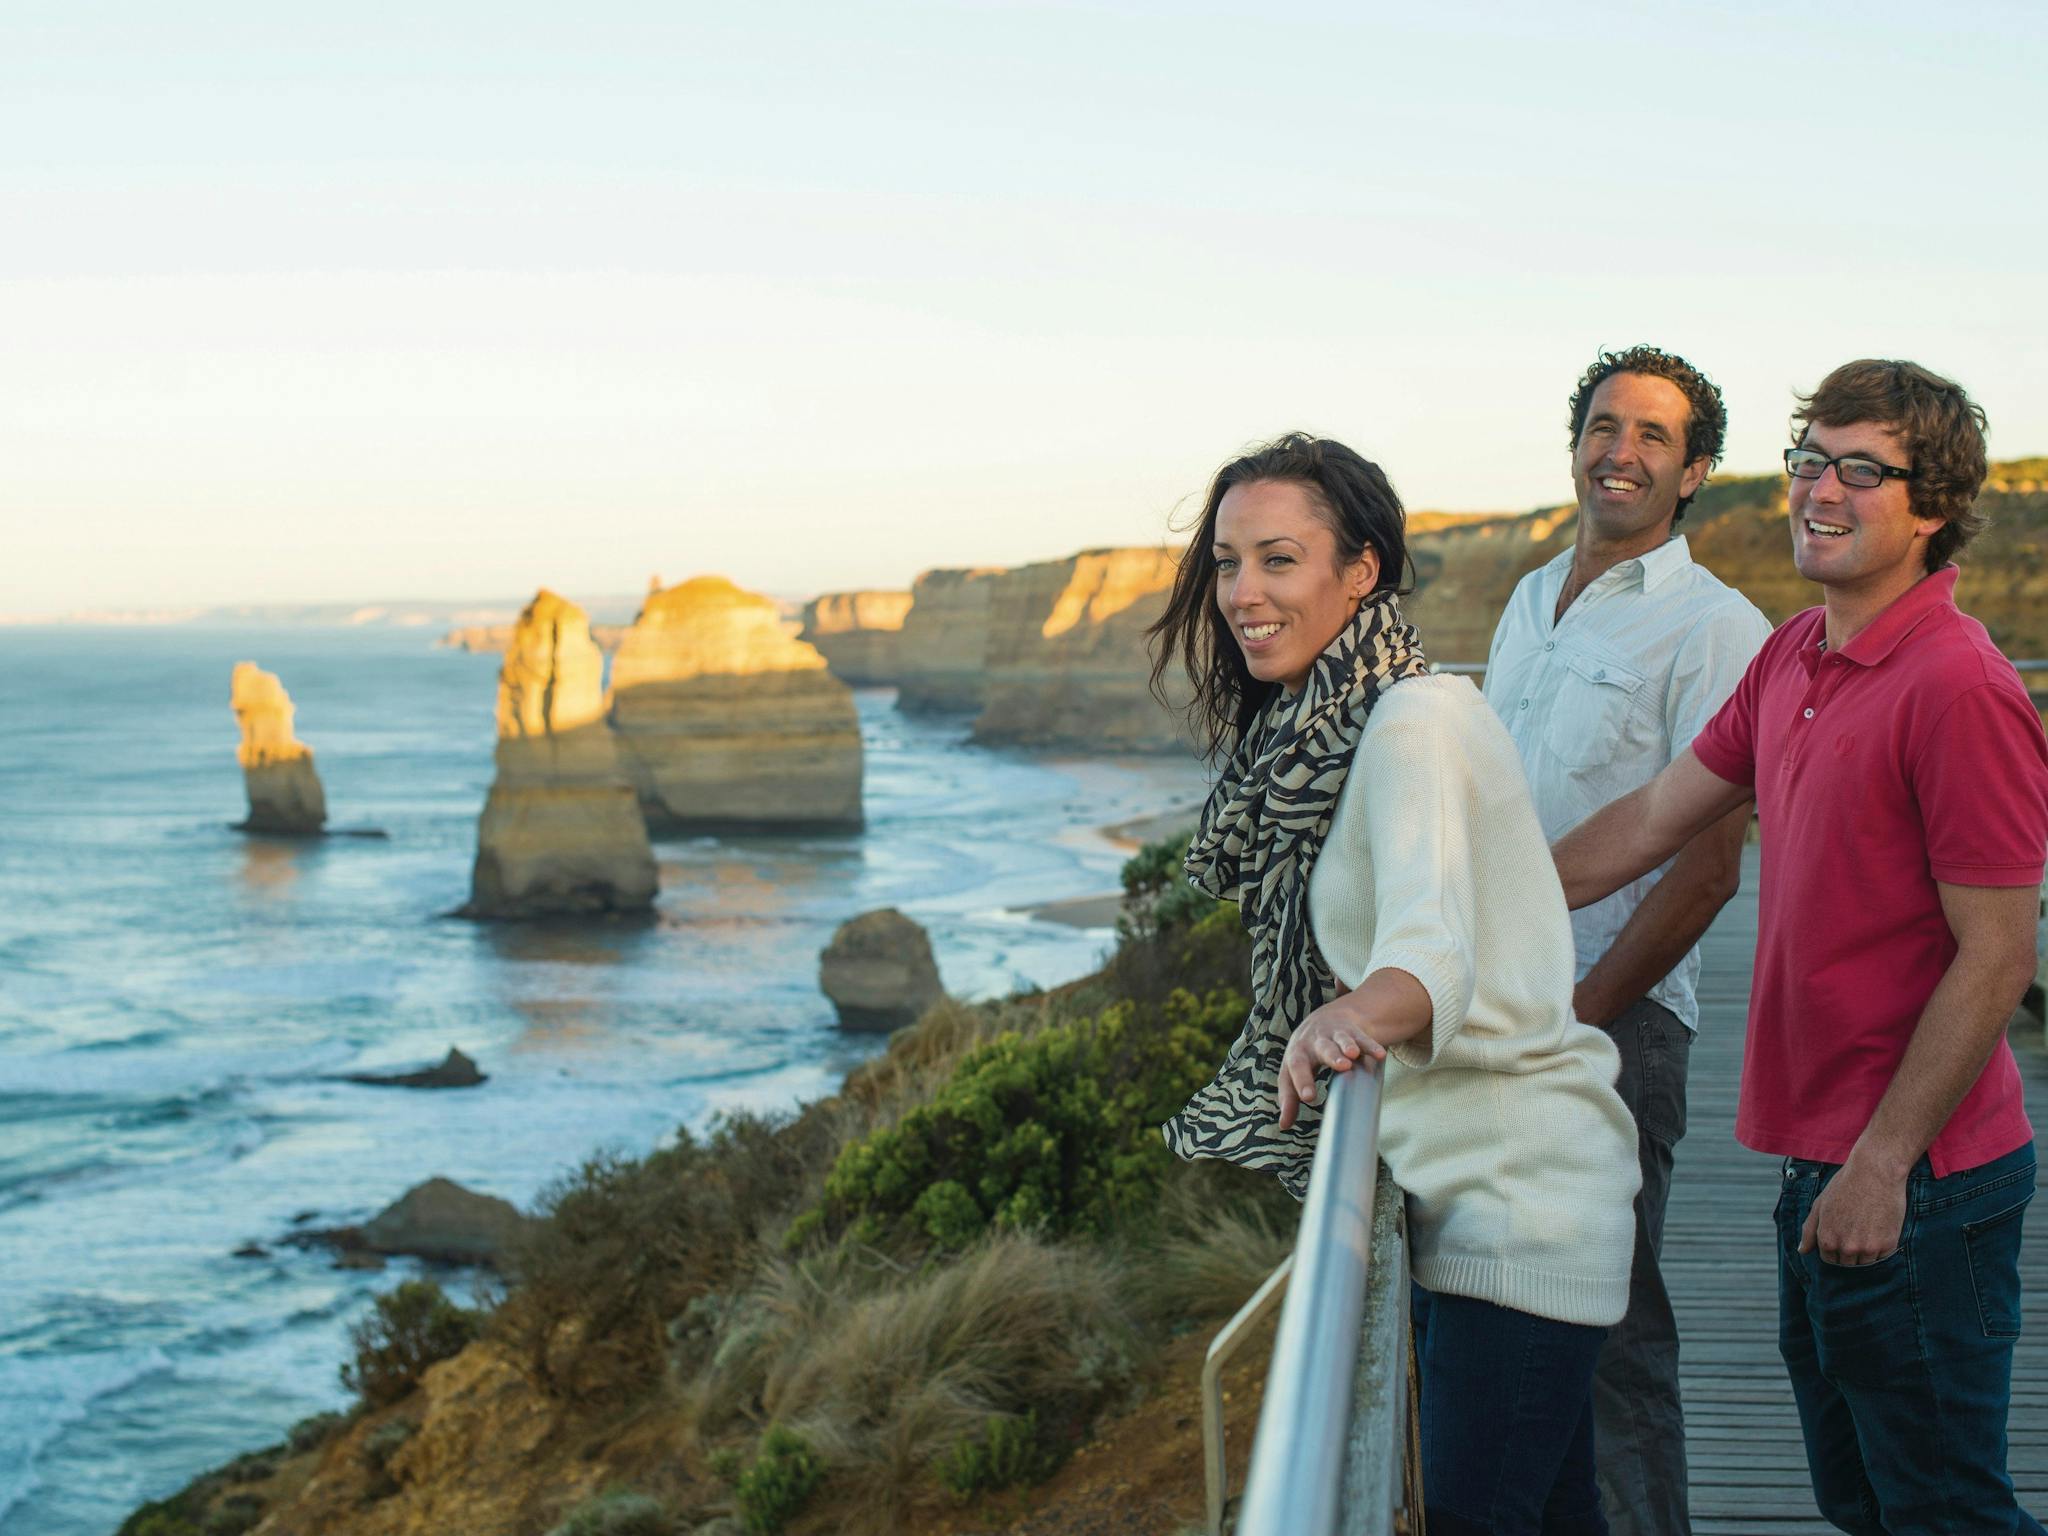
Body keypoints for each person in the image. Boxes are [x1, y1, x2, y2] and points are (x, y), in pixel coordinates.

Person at [1551, 360, 2048, 1535]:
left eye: (1859, 470)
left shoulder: (1958, 685)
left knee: (1942, 1507)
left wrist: (1881, 1162)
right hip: (1811, 1158)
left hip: (1920, 1177)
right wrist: (1464, 919)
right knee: (1859, 1500)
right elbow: (1652, 820)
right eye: (1808, 459)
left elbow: (1995, 956)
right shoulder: (1790, 656)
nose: (1818, 490)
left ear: (1930, 507)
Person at [1151, 432, 1640, 1536]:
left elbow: (1431, 948)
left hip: (1515, 1212)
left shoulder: (1413, 721)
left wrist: (1347, 1015)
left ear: (1359, 570)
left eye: (1277, 559)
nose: (1241, 593)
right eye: (1226, 563)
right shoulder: (1342, 724)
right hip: (1484, 1201)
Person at [1483, 345, 1769, 1536]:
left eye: (1653, 436)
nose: (1621, 451)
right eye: (1605, 425)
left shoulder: (1715, 629)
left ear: (1693, 469)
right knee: (1503, 1326)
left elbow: (1705, 870)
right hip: (1492, 1013)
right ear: (1574, 443)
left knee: (1612, 1341)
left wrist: (1583, 1015)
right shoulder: (1525, 597)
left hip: (1614, 1025)